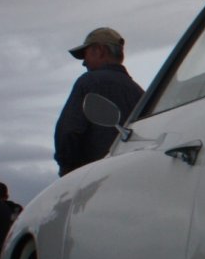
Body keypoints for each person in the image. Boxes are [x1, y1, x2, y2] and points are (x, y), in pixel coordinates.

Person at [54, 26, 145, 176]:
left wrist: (67, 169)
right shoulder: (140, 92)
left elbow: (69, 131)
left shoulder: (88, 82)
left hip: (92, 178)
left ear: (99, 50)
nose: (84, 63)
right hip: (130, 175)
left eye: (85, 55)